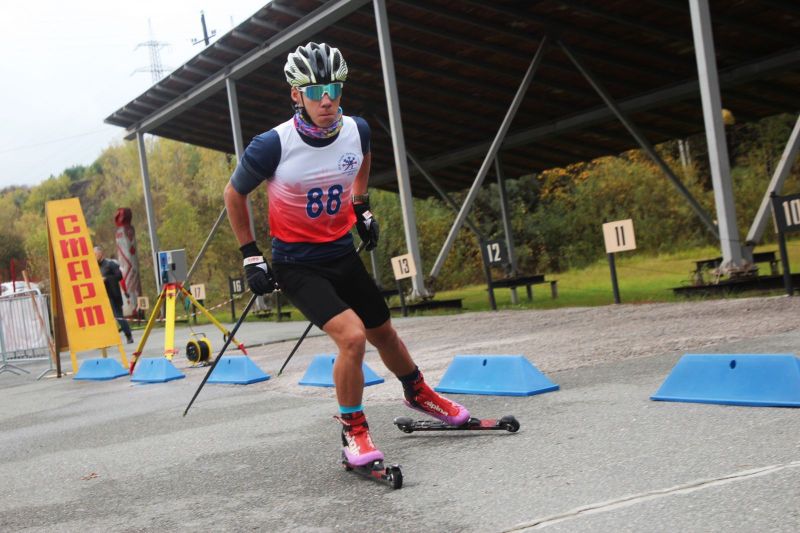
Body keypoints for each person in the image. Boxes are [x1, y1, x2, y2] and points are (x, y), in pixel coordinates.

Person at [223, 42, 470, 466]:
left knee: (383, 332)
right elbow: (234, 194)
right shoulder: (272, 145)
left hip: (340, 253)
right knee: (352, 338)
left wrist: (360, 205)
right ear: (296, 94)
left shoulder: (358, 129)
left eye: (334, 89)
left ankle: (418, 393)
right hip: (297, 264)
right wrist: (250, 254)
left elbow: (363, 158)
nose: (326, 100)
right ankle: (353, 429)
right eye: (315, 91)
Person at [94, 245, 134, 344]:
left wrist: (106, 279)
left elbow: (119, 276)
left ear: (100, 253)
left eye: (95, 254)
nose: (94, 256)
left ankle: (128, 335)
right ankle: (107, 340)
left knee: (118, 316)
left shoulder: (110, 264)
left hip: (113, 295)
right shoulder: (94, 267)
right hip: (102, 296)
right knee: (103, 319)